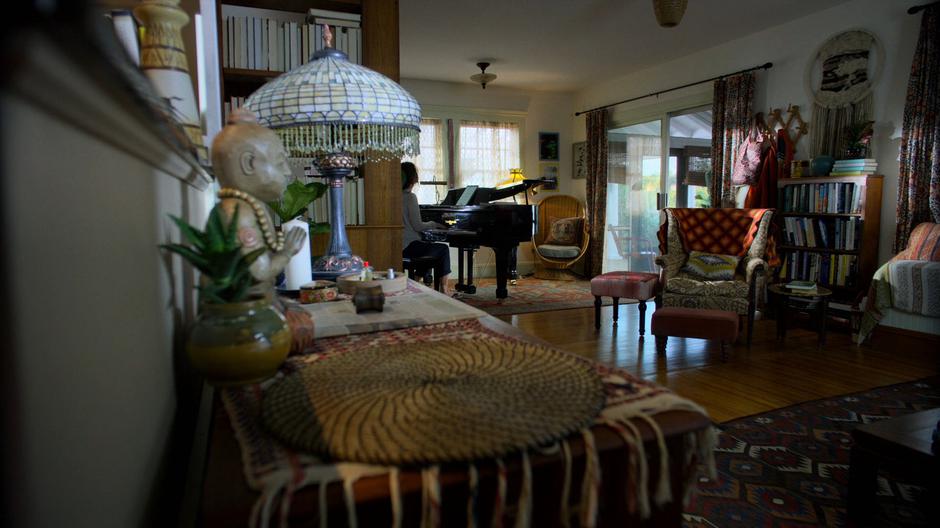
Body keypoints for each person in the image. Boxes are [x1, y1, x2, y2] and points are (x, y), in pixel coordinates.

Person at [211, 109, 306, 287]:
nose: (287, 171)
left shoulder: (249, 206)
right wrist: (287, 251)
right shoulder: (240, 213)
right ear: (248, 163)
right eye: (279, 163)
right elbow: (259, 272)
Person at [401, 162, 451, 292]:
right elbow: (417, 226)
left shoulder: (393, 197)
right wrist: (435, 224)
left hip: (398, 246)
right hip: (408, 246)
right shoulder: (410, 197)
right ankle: (444, 290)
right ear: (412, 178)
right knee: (443, 249)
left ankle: (414, 283)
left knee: (428, 246)